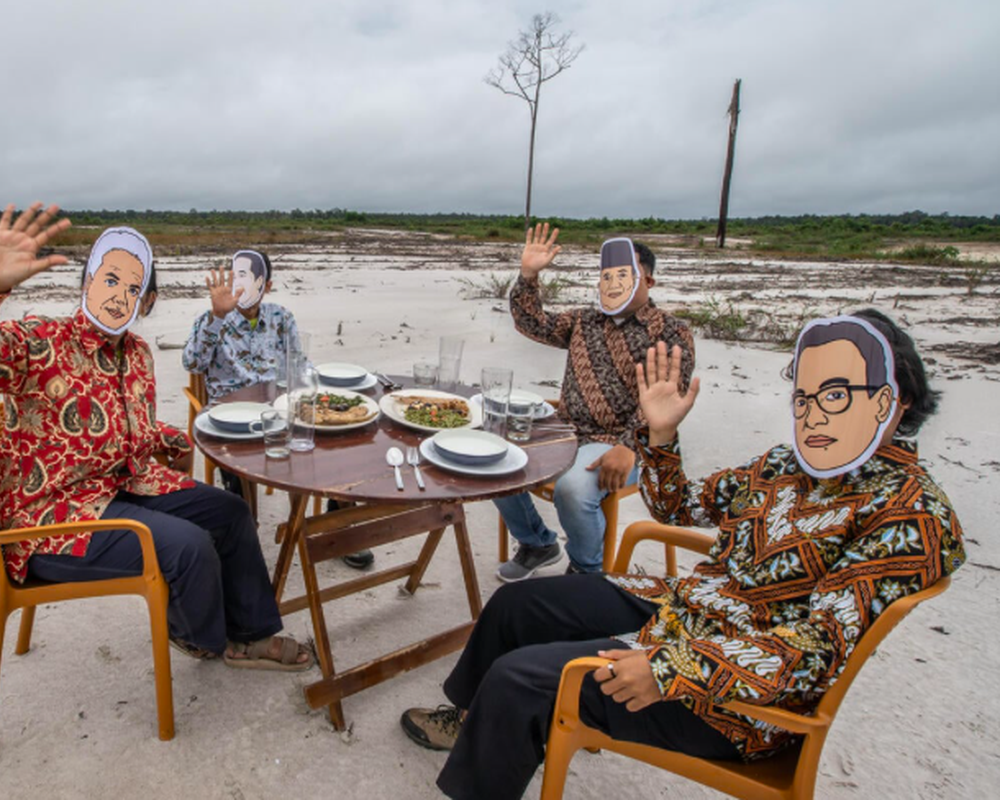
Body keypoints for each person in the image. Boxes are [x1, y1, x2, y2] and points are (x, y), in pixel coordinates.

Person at [401, 309, 966, 800]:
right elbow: (680, 508)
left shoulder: (911, 514)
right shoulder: (786, 467)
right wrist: (662, 437)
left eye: (837, 395)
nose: (815, 415)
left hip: (725, 694)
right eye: (805, 396)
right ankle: (473, 721)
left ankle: (489, 750)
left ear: (899, 398)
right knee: (518, 606)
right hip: (684, 608)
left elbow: (817, 652)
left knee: (520, 679)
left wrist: (672, 668)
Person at [0, 203, 311, 670]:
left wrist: (172, 440)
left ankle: (250, 632)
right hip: (54, 517)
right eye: (110, 280)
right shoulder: (41, 342)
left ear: (146, 302)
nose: (119, 296)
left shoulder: (137, 353)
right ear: (87, 283)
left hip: (123, 487)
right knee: (188, 546)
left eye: (133, 288)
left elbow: (126, 431)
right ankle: (202, 637)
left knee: (229, 511)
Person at [494, 224, 695, 580]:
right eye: (607, 275)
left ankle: (587, 572)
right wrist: (528, 275)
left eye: (625, 274)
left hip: (622, 442)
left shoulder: (670, 331)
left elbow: (665, 403)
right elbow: (531, 323)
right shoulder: (584, 320)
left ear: (648, 282)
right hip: (565, 429)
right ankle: (538, 543)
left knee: (572, 489)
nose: (614, 283)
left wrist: (630, 444)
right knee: (493, 459)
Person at [182, 248, 374, 570]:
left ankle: (338, 521)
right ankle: (242, 530)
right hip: (233, 413)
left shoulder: (280, 318)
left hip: (280, 407)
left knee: (330, 438)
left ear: (266, 285)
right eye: (237, 276)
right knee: (237, 456)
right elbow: (192, 362)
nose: (241, 286)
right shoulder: (213, 319)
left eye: (250, 278)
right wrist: (216, 318)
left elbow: (298, 362)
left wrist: (314, 389)